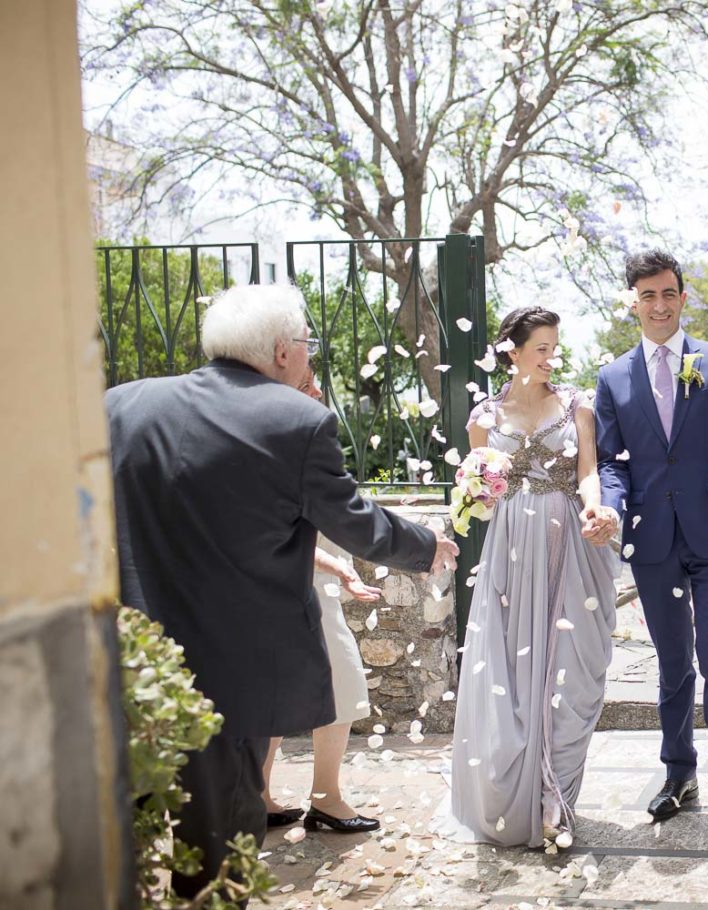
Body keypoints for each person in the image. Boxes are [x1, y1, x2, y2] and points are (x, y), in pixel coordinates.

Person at [106, 284, 458, 901]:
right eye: (307, 346)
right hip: (229, 675)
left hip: (127, 669)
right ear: (280, 352)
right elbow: (360, 526)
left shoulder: (121, 406)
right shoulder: (296, 421)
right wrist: (427, 544)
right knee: (217, 853)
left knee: (113, 846)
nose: (309, 357)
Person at [591, 250, 708, 843]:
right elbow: (613, 466)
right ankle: (678, 774)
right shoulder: (613, 378)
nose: (660, 306)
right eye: (648, 296)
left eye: (669, 294)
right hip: (653, 540)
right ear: (634, 303)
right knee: (671, 663)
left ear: (682, 297)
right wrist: (609, 510)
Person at [443, 306, 619, 849]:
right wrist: (474, 490)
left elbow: (588, 471)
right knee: (511, 675)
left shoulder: (576, 405)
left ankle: (556, 800)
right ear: (512, 353)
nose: (551, 357)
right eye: (540, 348)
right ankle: (511, 799)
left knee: (571, 670)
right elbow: (476, 492)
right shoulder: (483, 418)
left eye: (554, 346)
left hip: (569, 540)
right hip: (510, 551)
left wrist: (596, 509)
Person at [261, 544, 384, 834]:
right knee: (344, 686)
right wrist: (338, 567)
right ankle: (326, 798)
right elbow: (281, 528)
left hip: (297, 581)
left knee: (275, 691)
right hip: (305, 583)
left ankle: (259, 798)